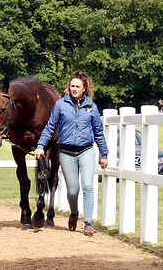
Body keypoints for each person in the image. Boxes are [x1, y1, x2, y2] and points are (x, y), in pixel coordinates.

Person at [35, 70, 108, 236]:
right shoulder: (60, 105)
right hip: (67, 152)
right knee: (73, 190)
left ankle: (88, 223)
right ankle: (74, 212)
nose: (74, 88)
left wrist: (104, 154)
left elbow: (98, 131)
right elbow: (50, 127)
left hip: (86, 151)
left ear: (84, 88)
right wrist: (40, 145)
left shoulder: (91, 106)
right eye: (72, 86)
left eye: (78, 86)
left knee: (88, 187)